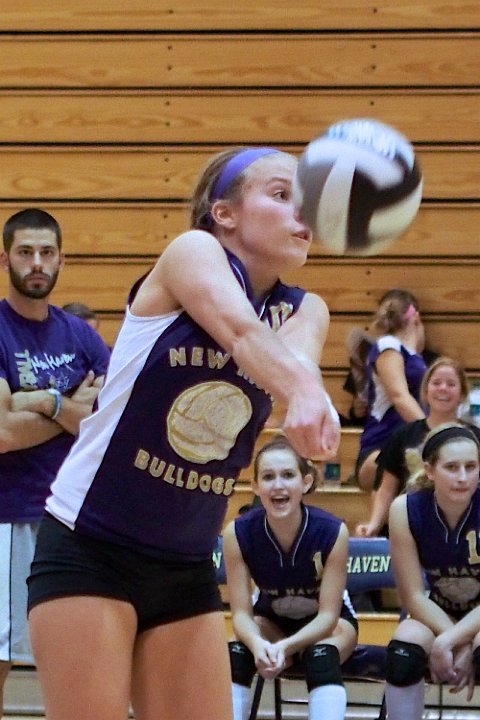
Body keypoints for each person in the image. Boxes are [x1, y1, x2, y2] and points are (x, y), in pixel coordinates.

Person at [26, 146, 341, 720]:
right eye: (281, 194)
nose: (304, 212)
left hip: (186, 560)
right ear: (224, 212)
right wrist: (302, 392)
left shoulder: (306, 307)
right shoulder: (191, 253)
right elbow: (242, 334)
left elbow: (297, 360)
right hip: (91, 543)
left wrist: (312, 401)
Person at [0, 208, 111, 713]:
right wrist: (69, 408)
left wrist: (40, 401)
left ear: (62, 259)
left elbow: (110, 421)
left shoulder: (81, 336)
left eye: (47, 252)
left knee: (71, 654)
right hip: (10, 516)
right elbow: (3, 434)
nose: (37, 263)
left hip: (71, 518)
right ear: (6, 259)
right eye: (25, 252)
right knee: (1, 654)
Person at [224, 435, 357, 720]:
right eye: (268, 477)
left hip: (328, 625)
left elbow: (328, 616)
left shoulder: (332, 531)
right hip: (271, 621)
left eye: (287, 475)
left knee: (321, 657)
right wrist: (259, 645)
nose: (278, 485)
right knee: (236, 652)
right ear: (255, 486)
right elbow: (241, 615)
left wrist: (286, 648)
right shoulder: (237, 533)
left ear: (305, 482)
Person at [385, 423, 480, 719]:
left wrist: (453, 641)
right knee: (403, 652)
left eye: (471, 467)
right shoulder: (404, 509)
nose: (462, 477)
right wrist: (453, 638)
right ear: (429, 470)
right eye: (451, 467)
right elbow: (413, 596)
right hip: (438, 609)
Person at [356, 356, 480, 537]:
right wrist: (374, 524)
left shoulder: (475, 437)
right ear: (426, 390)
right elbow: (386, 488)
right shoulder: (403, 435)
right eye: (436, 383)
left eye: (451, 384)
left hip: (465, 528)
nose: (443, 388)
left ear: (462, 393)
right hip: (413, 526)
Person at [354, 288, 427, 492]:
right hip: (380, 449)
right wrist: (435, 434)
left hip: (408, 447)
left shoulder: (416, 358)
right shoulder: (388, 344)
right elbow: (399, 396)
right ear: (416, 318)